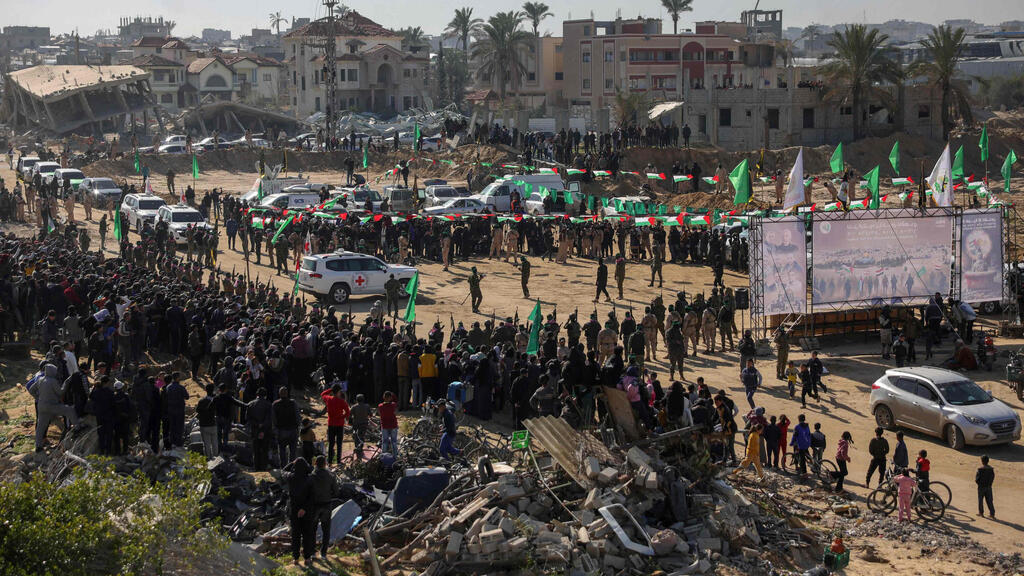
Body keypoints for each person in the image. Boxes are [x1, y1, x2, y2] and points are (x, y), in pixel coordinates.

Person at [31, 363, 80, 451]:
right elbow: (61, 392)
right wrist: (66, 382)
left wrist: (37, 397)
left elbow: (31, 389)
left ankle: (38, 446)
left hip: (41, 406)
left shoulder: (40, 380)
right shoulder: (52, 381)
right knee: (70, 410)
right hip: (52, 405)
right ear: (52, 371)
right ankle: (77, 428)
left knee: (40, 427)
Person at [285, 457, 315, 565]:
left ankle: (296, 558)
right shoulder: (310, 479)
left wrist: (292, 463)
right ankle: (307, 557)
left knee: (295, 535)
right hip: (306, 511)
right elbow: (312, 497)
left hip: (294, 510)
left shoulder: (291, 477)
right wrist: (304, 508)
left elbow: (283, 471)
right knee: (307, 534)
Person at [310, 455, 339, 558]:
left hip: (314, 505)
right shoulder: (331, 476)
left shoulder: (311, 476)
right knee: (326, 530)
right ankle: (323, 553)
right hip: (326, 504)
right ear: (325, 464)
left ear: (315, 464)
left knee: (312, 530)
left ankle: (312, 552)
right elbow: (336, 492)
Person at [320, 384, 350, 464]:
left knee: (331, 444)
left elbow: (322, 394)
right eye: (340, 391)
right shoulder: (342, 401)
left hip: (331, 424)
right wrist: (342, 417)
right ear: (338, 392)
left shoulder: (328, 399)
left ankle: (329, 462)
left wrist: (331, 389)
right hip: (339, 425)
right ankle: (338, 461)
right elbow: (348, 412)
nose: (341, 393)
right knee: (339, 444)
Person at [273, 386, 301, 467]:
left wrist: (275, 431)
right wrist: (298, 428)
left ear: (279, 394)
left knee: (282, 452)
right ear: (287, 393)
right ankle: (291, 468)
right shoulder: (293, 403)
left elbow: (273, 419)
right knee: (293, 452)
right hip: (293, 430)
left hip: (281, 431)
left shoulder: (275, 404)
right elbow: (298, 417)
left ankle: (283, 468)